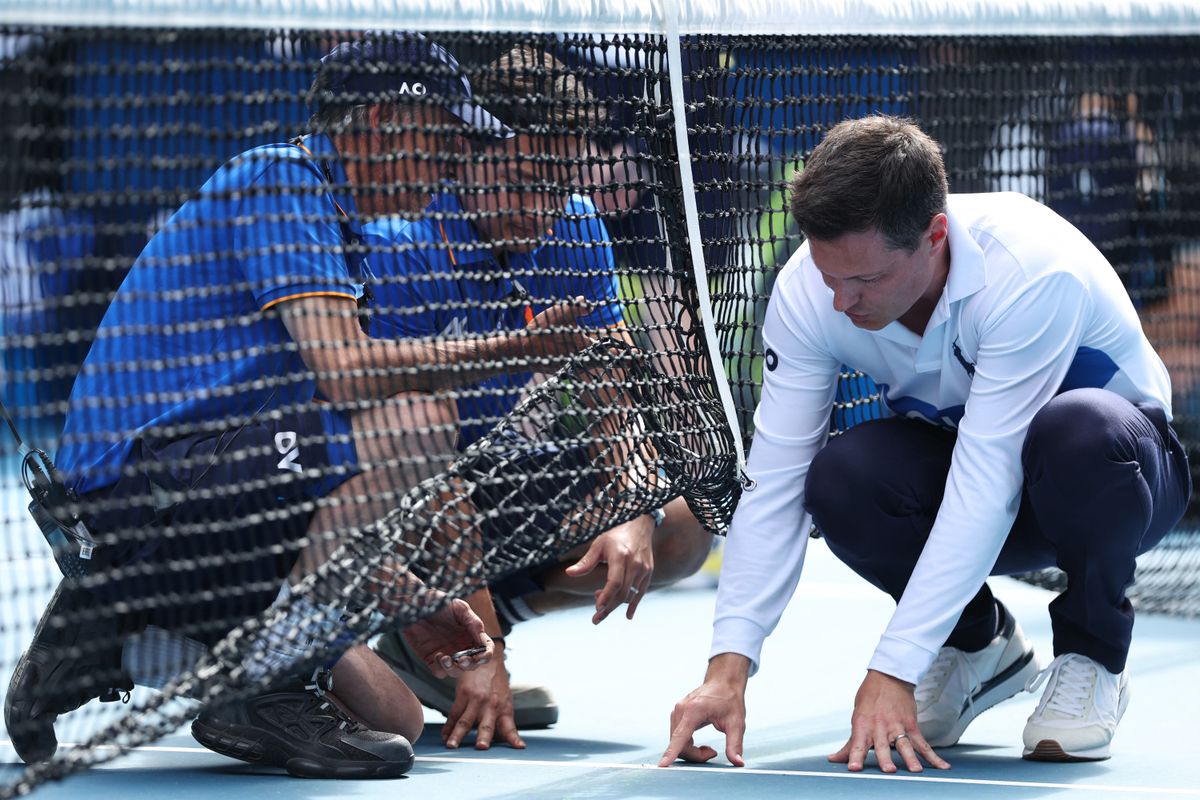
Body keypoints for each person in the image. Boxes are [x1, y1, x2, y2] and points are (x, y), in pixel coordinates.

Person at [4, 32, 587, 779]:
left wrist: (407, 595)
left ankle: (97, 639)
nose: (451, 165)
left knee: (395, 716)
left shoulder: (348, 229)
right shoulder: (282, 182)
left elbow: (321, 472)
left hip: (216, 498)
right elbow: (346, 382)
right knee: (416, 424)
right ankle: (265, 684)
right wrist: (509, 351)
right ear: (383, 122)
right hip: (141, 498)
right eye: (445, 139)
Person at [660, 115, 1191, 772]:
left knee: (1078, 432)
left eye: (865, 281)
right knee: (840, 478)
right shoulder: (812, 290)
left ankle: (1093, 656)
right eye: (831, 276)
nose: (841, 301)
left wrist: (894, 667)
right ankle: (977, 647)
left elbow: (988, 478)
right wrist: (727, 667)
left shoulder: (1028, 272)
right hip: (992, 487)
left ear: (935, 235)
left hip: (1121, 480)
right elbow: (775, 479)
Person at [362, 43, 714, 751]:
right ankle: (440, 632)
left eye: (560, 186)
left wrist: (634, 504)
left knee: (682, 527)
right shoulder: (399, 236)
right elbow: (419, 454)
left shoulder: (574, 226)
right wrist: (486, 652)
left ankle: (442, 639)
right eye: (525, 181)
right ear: (467, 151)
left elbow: (613, 392)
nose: (543, 210)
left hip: (488, 479)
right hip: (393, 495)